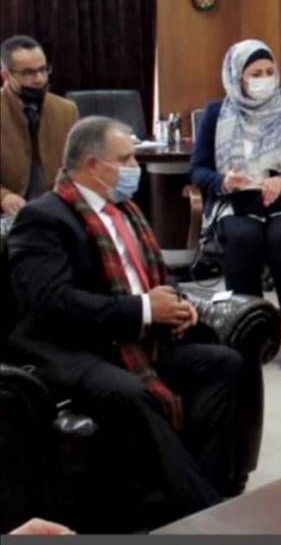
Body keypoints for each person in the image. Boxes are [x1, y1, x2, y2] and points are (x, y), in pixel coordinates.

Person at [7, 116, 243, 521]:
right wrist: (146, 309)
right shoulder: (43, 218)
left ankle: (199, 493)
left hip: (134, 340)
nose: (135, 167)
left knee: (224, 364)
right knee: (130, 392)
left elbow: (150, 277)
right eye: (126, 159)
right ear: (92, 165)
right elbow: (53, 302)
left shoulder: (127, 210)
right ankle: (205, 517)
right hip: (75, 347)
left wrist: (176, 304)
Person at [191, 39, 281, 373]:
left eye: (269, 72)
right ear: (237, 76)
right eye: (255, 74)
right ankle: (249, 322)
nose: (264, 79)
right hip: (236, 200)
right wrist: (223, 181)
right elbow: (198, 169)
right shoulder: (216, 113)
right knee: (243, 237)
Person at [1, 35, 79, 216]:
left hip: (57, 209)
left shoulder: (66, 110)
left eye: (43, 70)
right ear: (6, 75)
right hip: (8, 214)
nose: (39, 79)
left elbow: (76, 166)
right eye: (28, 73)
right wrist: (3, 196)